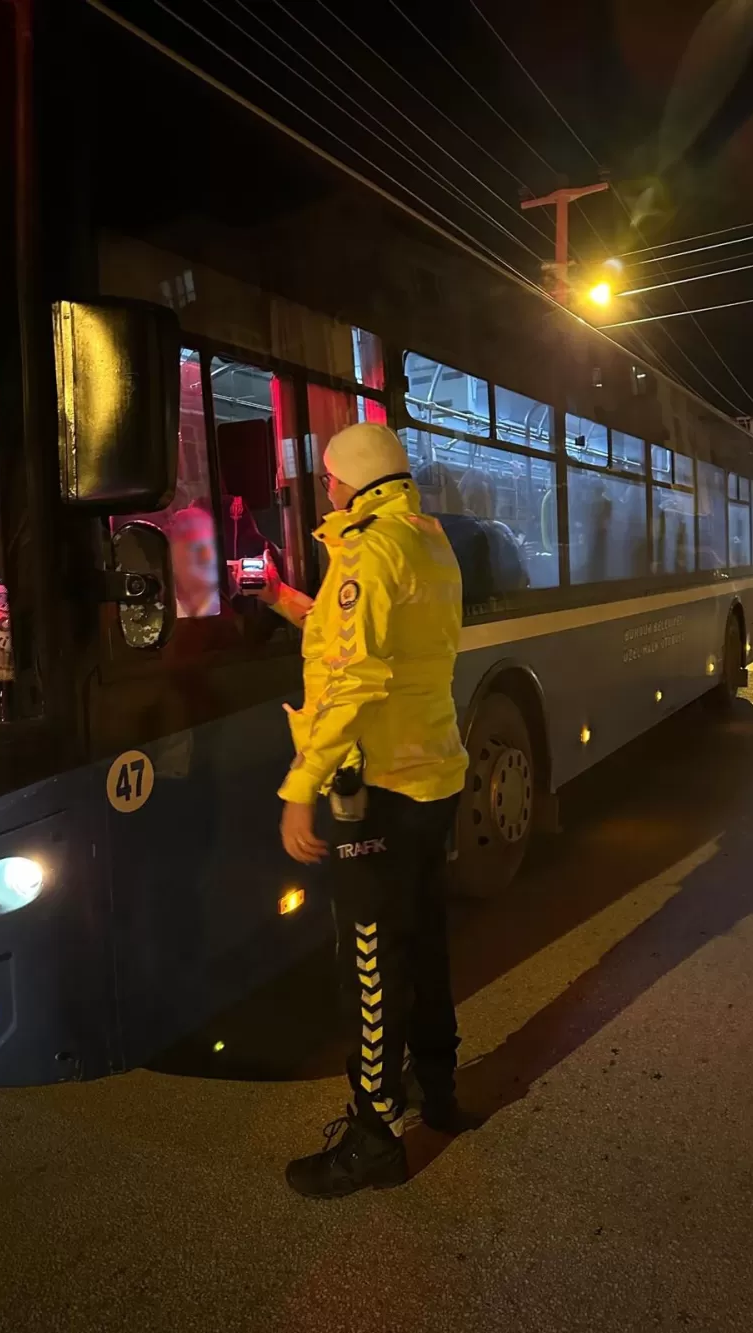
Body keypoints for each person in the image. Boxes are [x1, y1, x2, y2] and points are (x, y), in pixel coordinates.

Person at [256, 422, 471, 1199]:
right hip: (432, 772)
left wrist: (300, 784)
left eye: (326, 477)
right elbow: (372, 635)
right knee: (426, 935)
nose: (325, 489)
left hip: (380, 785)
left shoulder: (368, 547)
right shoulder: (424, 537)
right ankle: (438, 1089)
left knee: (372, 957)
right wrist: (285, 600)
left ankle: (377, 1135)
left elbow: (353, 677)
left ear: (348, 481)